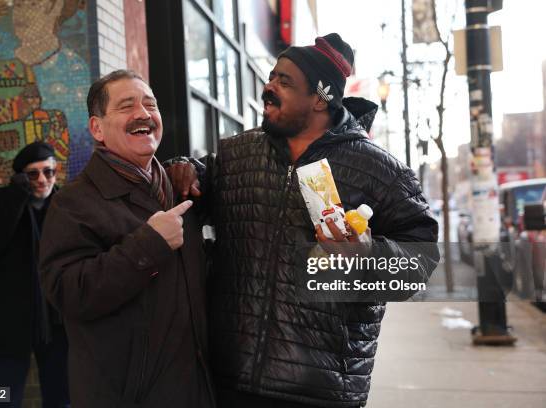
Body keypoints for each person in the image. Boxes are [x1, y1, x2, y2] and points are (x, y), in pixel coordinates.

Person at [166, 33, 440, 407]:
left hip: (322, 388)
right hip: (229, 376)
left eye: (284, 81)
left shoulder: (382, 171)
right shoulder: (236, 153)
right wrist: (182, 168)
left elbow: (421, 260)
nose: (269, 87)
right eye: (272, 76)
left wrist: (367, 254)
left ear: (319, 97)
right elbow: (197, 183)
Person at [38, 70, 215, 408]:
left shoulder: (179, 189)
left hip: (195, 390)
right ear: (97, 128)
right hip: (125, 396)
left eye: (151, 104)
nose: (143, 114)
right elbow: (69, 294)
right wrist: (148, 245)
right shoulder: (73, 202)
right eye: (126, 106)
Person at [0, 141, 70, 408]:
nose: (42, 180)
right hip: (9, 321)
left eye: (48, 172)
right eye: (33, 174)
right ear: (20, 177)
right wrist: (17, 197)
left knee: (61, 397)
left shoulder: (66, 204)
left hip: (56, 320)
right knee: (2, 398)